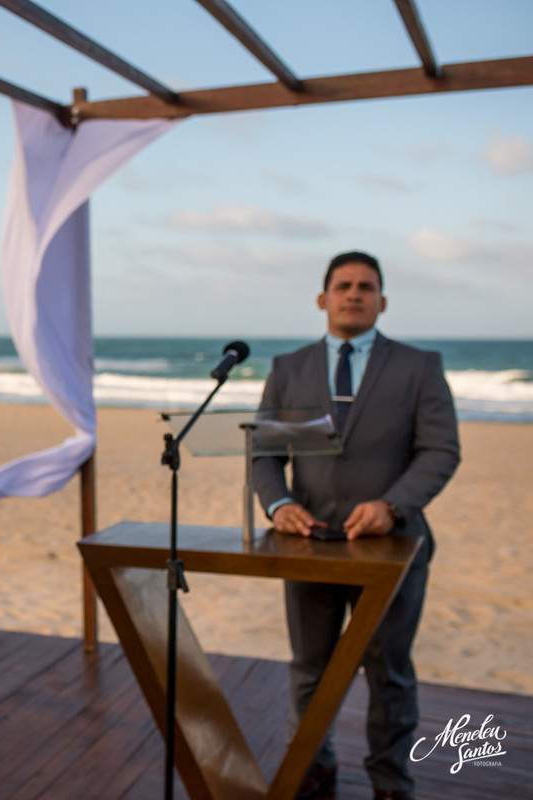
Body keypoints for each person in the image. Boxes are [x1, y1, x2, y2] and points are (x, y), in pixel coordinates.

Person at [254, 251, 459, 800]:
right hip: (308, 545)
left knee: (389, 672)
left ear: (382, 302)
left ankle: (391, 781)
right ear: (323, 299)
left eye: (366, 287)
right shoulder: (288, 368)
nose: (354, 294)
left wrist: (392, 505)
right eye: (343, 286)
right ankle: (313, 765)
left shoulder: (419, 366)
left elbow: (440, 450)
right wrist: (278, 505)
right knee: (309, 668)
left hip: (393, 548)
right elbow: (265, 453)